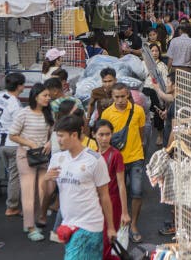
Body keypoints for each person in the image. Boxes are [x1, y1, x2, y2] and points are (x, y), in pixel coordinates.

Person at [46, 115, 116, 259]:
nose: (58, 140)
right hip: (67, 224)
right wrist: (45, 180)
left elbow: (104, 195)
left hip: (89, 226)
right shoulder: (57, 158)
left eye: (61, 136)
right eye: (57, 136)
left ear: (74, 135)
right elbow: (47, 193)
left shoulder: (95, 160)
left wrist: (110, 227)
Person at [101, 83, 146, 243]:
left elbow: (141, 134)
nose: (120, 100)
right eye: (117, 97)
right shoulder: (107, 114)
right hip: (115, 160)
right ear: (112, 97)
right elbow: (104, 137)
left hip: (136, 158)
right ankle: (118, 223)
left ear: (129, 95)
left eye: (123, 96)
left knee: (137, 192)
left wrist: (140, 150)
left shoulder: (138, 111)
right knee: (115, 193)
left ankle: (133, 225)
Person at [9, 83, 53, 241]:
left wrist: (49, 143)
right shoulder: (23, 113)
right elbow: (12, 135)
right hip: (26, 156)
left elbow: (53, 133)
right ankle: (30, 226)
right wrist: (30, 144)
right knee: (28, 192)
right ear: (36, 97)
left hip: (42, 156)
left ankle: (33, 220)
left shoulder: (48, 113)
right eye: (45, 95)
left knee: (42, 191)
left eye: (48, 95)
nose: (48, 98)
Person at [93, 119, 131, 259]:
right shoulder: (93, 155)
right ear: (94, 135)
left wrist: (125, 212)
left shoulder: (115, 155)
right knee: (99, 240)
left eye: (108, 134)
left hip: (113, 202)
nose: (104, 138)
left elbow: (122, 184)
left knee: (108, 240)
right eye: (101, 134)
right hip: (96, 203)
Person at [0, 72, 25, 218]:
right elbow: (20, 125)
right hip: (13, 144)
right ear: (18, 86)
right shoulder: (15, 103)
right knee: (15, 177)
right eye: (22, 84)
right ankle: (12, 206)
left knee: (12, 175)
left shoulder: (2, 96)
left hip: (1, 143)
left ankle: (13, 204)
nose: (24, 87)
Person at [142, 43, 168, 147]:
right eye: (152, 51)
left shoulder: (162, 65)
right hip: (144, 90)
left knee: (158, 111)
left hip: (156, 92)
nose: (154, 53)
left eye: (156, 51)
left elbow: (165, 82)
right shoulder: (143, 64)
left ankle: (160, 135)